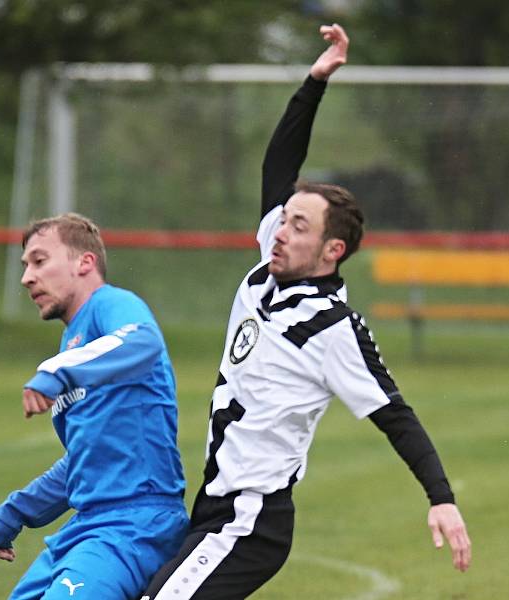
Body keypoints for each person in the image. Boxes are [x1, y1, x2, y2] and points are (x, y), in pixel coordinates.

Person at [141, 23, 471, 600]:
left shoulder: (332, 327)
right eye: (285, 217)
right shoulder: (270, 266)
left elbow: (395, 415)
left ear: (331, 251)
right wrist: (314, 82)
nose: (281, 230)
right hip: (213, 504)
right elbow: (279, 165)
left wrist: (441, 498)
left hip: (252, 522)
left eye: (299, 225)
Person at [0, 213, 188, 599]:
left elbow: (143, 339)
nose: (26, 277)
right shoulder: (75, 347)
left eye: (39, 261)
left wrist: (57, 371)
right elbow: (85, 459)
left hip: (134, 525)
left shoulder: (113, 306)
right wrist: (15, 512)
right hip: (86, 529)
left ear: (84, 263)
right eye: (25, 265)